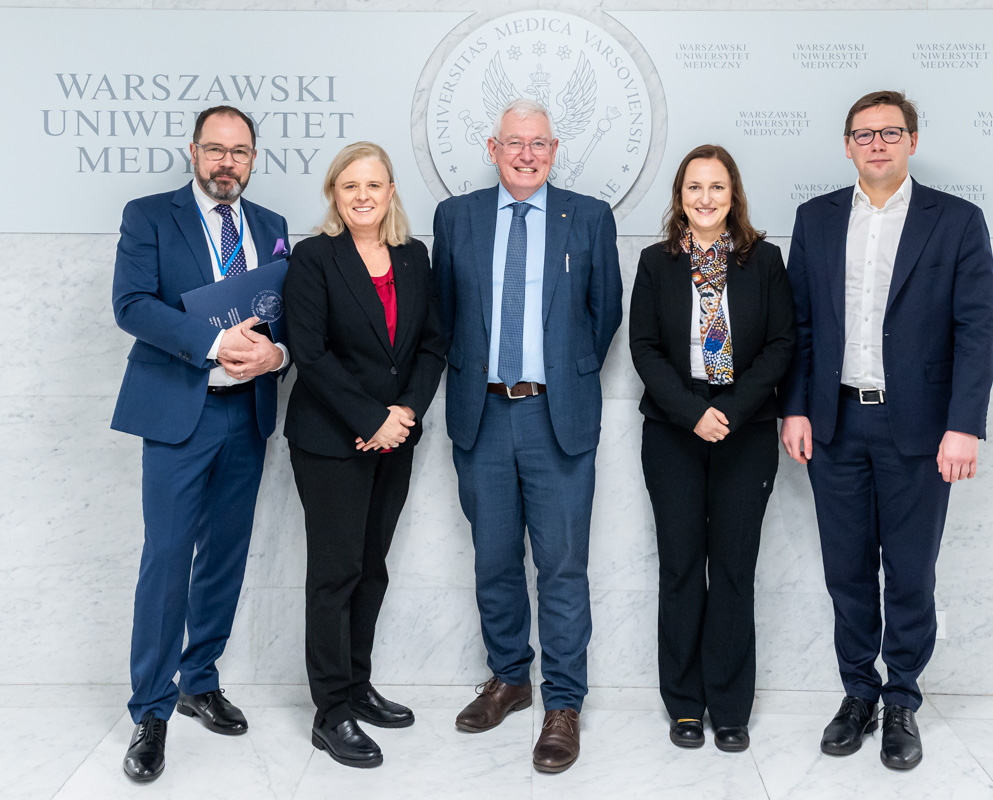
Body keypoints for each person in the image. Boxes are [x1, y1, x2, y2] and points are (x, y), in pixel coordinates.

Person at [778, 90, 993, 770]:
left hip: (921, 432)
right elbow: (801, 326)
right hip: (836, 423)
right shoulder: (814, 220)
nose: (876, 144)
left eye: (890, 132)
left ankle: (901, 698)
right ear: (847, 145)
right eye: (863, 134)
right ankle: (857, 695)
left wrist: (964, 426)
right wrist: (796, 407)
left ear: (912, 141)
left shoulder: (957, 221)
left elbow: (976, 330)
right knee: (846, 572)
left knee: (908, 574)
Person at [432, 98, 622, 773]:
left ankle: (563, 704)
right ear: (492, 148)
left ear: (554, 148)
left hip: (556, 417)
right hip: (481, 416)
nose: (527, 154)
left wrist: (559, 377)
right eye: (515, 142)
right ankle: (510, 678)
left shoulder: (590, 218)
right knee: (493, 559)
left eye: (539, 143)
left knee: (564, 566)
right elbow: (447, 316)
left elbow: (604, 317)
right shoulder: (456, 218)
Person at [111, 105, 290, 783]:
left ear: (252, 157)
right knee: (166, 559)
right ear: (193, 152)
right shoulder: (149, 216)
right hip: (178, 414)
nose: (227, 163)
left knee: (224, 556)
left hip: (246, 413)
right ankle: (151, 708)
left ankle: (199, 679)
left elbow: (287, 315)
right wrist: (214, 343)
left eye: (239, 152)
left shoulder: (271, 227)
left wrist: (276, 357)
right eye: (215, 150)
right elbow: (131, 305)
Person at [283, 142, 446, 769]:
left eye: (373, 185)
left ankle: (356, 683)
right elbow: (311, 352)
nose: (362, 196)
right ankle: (330, 712)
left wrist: (402, 415)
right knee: (335, 574)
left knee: (371, 566)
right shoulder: (314, 257)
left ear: (391, 192)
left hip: (394, 438)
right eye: (349, 186)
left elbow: (432, 346)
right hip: (330, 442)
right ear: (334, 193)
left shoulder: (413, 257)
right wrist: (369, 418)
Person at [629, 145, 794, 752]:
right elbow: (643, 346)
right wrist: (694, 412)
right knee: (679, 570)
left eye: (716, 188)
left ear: (734, 196)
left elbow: (781, 345)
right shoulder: (655, 262)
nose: (705, 199)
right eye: (694, 188)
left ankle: (729, 706)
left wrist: (729, 410)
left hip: (744, 428)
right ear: (680, 197)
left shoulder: (764, 261)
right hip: (674, 429)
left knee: (731, 569)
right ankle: (684, 706)